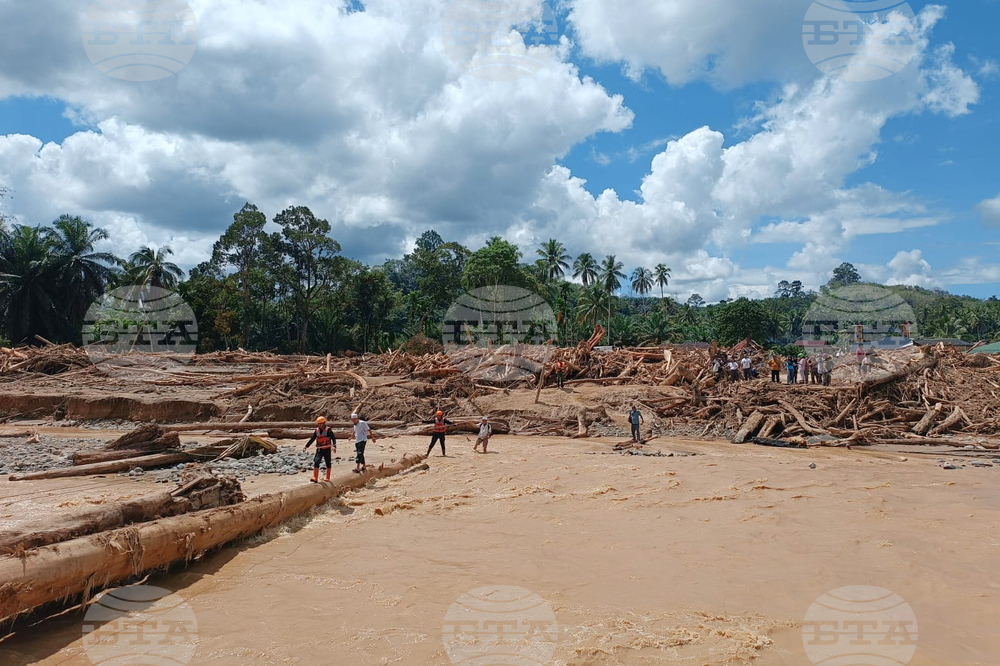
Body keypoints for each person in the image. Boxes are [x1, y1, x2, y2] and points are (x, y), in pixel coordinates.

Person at [303, 416, 337, 483]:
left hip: (327, 449)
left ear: (324, 423)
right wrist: (306, 446)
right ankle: (315, 477)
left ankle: (327, 477)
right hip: (319, 450)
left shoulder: (328, 430)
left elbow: (333, 438)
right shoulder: (316, 431)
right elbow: (312, 439)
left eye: (321, 423)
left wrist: (334, 446)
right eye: (319, 424)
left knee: (328, 462)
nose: (320, 425)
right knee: (316, 461)